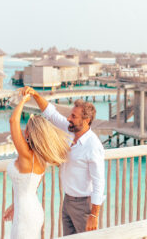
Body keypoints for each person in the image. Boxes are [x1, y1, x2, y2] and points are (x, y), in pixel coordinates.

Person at [21, 86, 105, 235]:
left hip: (84, 204)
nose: (68, 119)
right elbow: (51, 113)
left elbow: (99, 182)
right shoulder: (70, 130)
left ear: (86, 121)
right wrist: (35, 94)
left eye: (73, 116)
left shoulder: (93, 146)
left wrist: (94, 215)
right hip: (67, 201)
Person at [3, 92, 70, 239]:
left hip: (25, 216)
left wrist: (23, 100)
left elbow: (13, 120)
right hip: (28, 210)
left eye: (25, 128)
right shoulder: (40, 157)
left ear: (28, 133)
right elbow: (28, 188)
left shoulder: (26, 155)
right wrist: (15, 206)